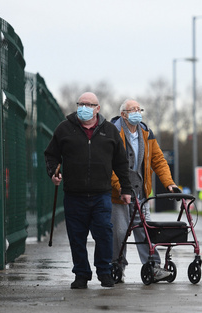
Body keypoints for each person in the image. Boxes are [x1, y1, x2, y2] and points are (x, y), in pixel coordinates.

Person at [44, 92, 132, 289]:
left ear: (97, 108)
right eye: (81, 104)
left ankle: (104, 271)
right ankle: (81, 274)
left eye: (89, 104)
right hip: (74, 194)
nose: (84, 107)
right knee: (76, 236)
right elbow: (51, 154)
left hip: (101, 194)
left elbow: (121, 163)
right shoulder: (64, 129)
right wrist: (53, 172)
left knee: (104, 234)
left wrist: (126, 189)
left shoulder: (109, 131)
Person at [110, 99, 178, 282]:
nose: (137, 112)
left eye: (139, 109)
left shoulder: (146, 133)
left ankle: (153, 266)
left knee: (146, 231)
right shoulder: (112, 132)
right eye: (133, 109)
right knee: (120, 232)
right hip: (117, 195)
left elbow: (158, 160)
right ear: (123, 114)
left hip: (140, 194)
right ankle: (116, 266)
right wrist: (121, 188)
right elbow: (108, 166)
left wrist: (169, 183)